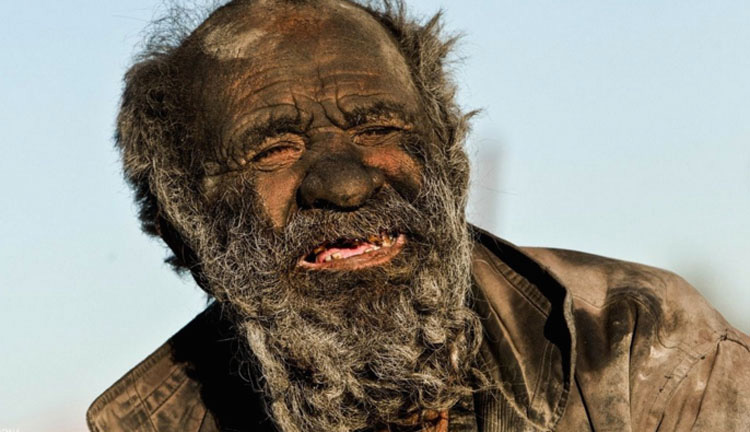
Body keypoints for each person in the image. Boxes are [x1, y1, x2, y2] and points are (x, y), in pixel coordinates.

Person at [87, 1, 750, 431]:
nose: (344, 184)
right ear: (185, 226)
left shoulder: (639, 347)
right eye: (274, 148)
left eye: (377, 126)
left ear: (451, 168)